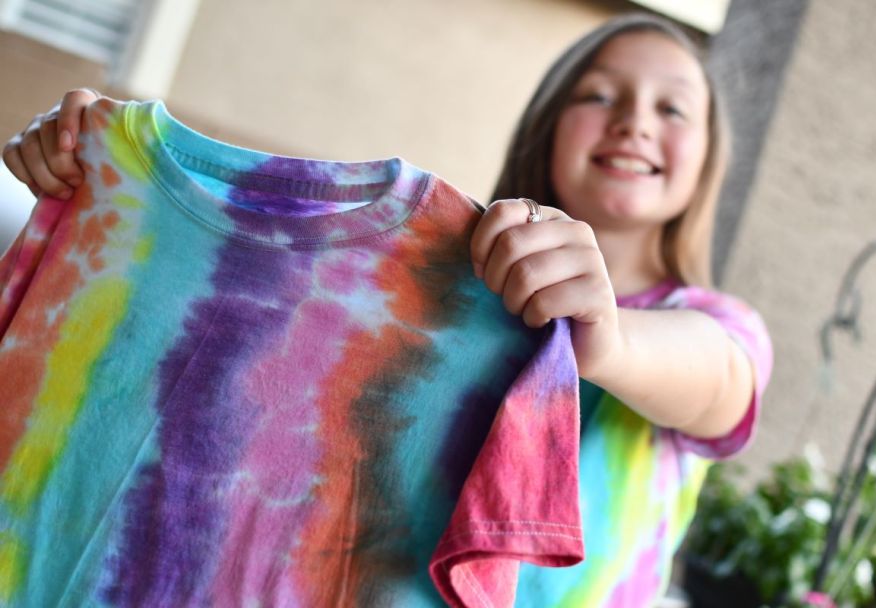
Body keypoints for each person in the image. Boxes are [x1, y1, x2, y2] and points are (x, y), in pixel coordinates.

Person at [1, 13, 772, 607]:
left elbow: (722, 381)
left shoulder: (707, 322)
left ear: (709, 160)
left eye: (674, 109)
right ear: (547, 122)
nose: (634, 119)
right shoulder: (450, 279)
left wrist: (605, 334)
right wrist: (96, 183)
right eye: (599, 94)